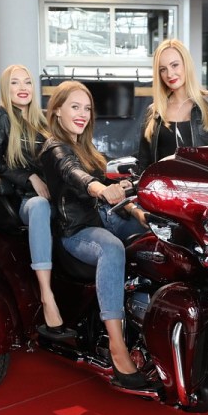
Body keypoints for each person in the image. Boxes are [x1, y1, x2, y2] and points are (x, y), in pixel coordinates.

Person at [40, 80, 149, 389]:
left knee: (159, 237)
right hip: (76, 231)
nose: (82, 114)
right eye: (75, 107)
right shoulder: (55, 148)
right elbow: (73, 174)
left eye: (87, 108)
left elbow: (111, 190)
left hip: (104, 219)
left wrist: (139, 212)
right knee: (112, 248)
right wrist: (100, 189)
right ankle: (117, 346)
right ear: (57, 110)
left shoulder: (87, 148)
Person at [0, 64, 69, 337]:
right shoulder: (0, 115)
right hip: (23, 199)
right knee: (39, 206)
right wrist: (28, 177)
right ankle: (46, 295)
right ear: (5, 89)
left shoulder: (40, 120)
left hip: (53, 195)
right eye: (15, 83)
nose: (22, 88)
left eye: (27, 82)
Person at [136, 38, 208, 172]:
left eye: (174, 65)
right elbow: (144, 165)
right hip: (164, 185)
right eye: (163, 69)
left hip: (203, 184)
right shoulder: (154, 112)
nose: (169, 74)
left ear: (186, 64)